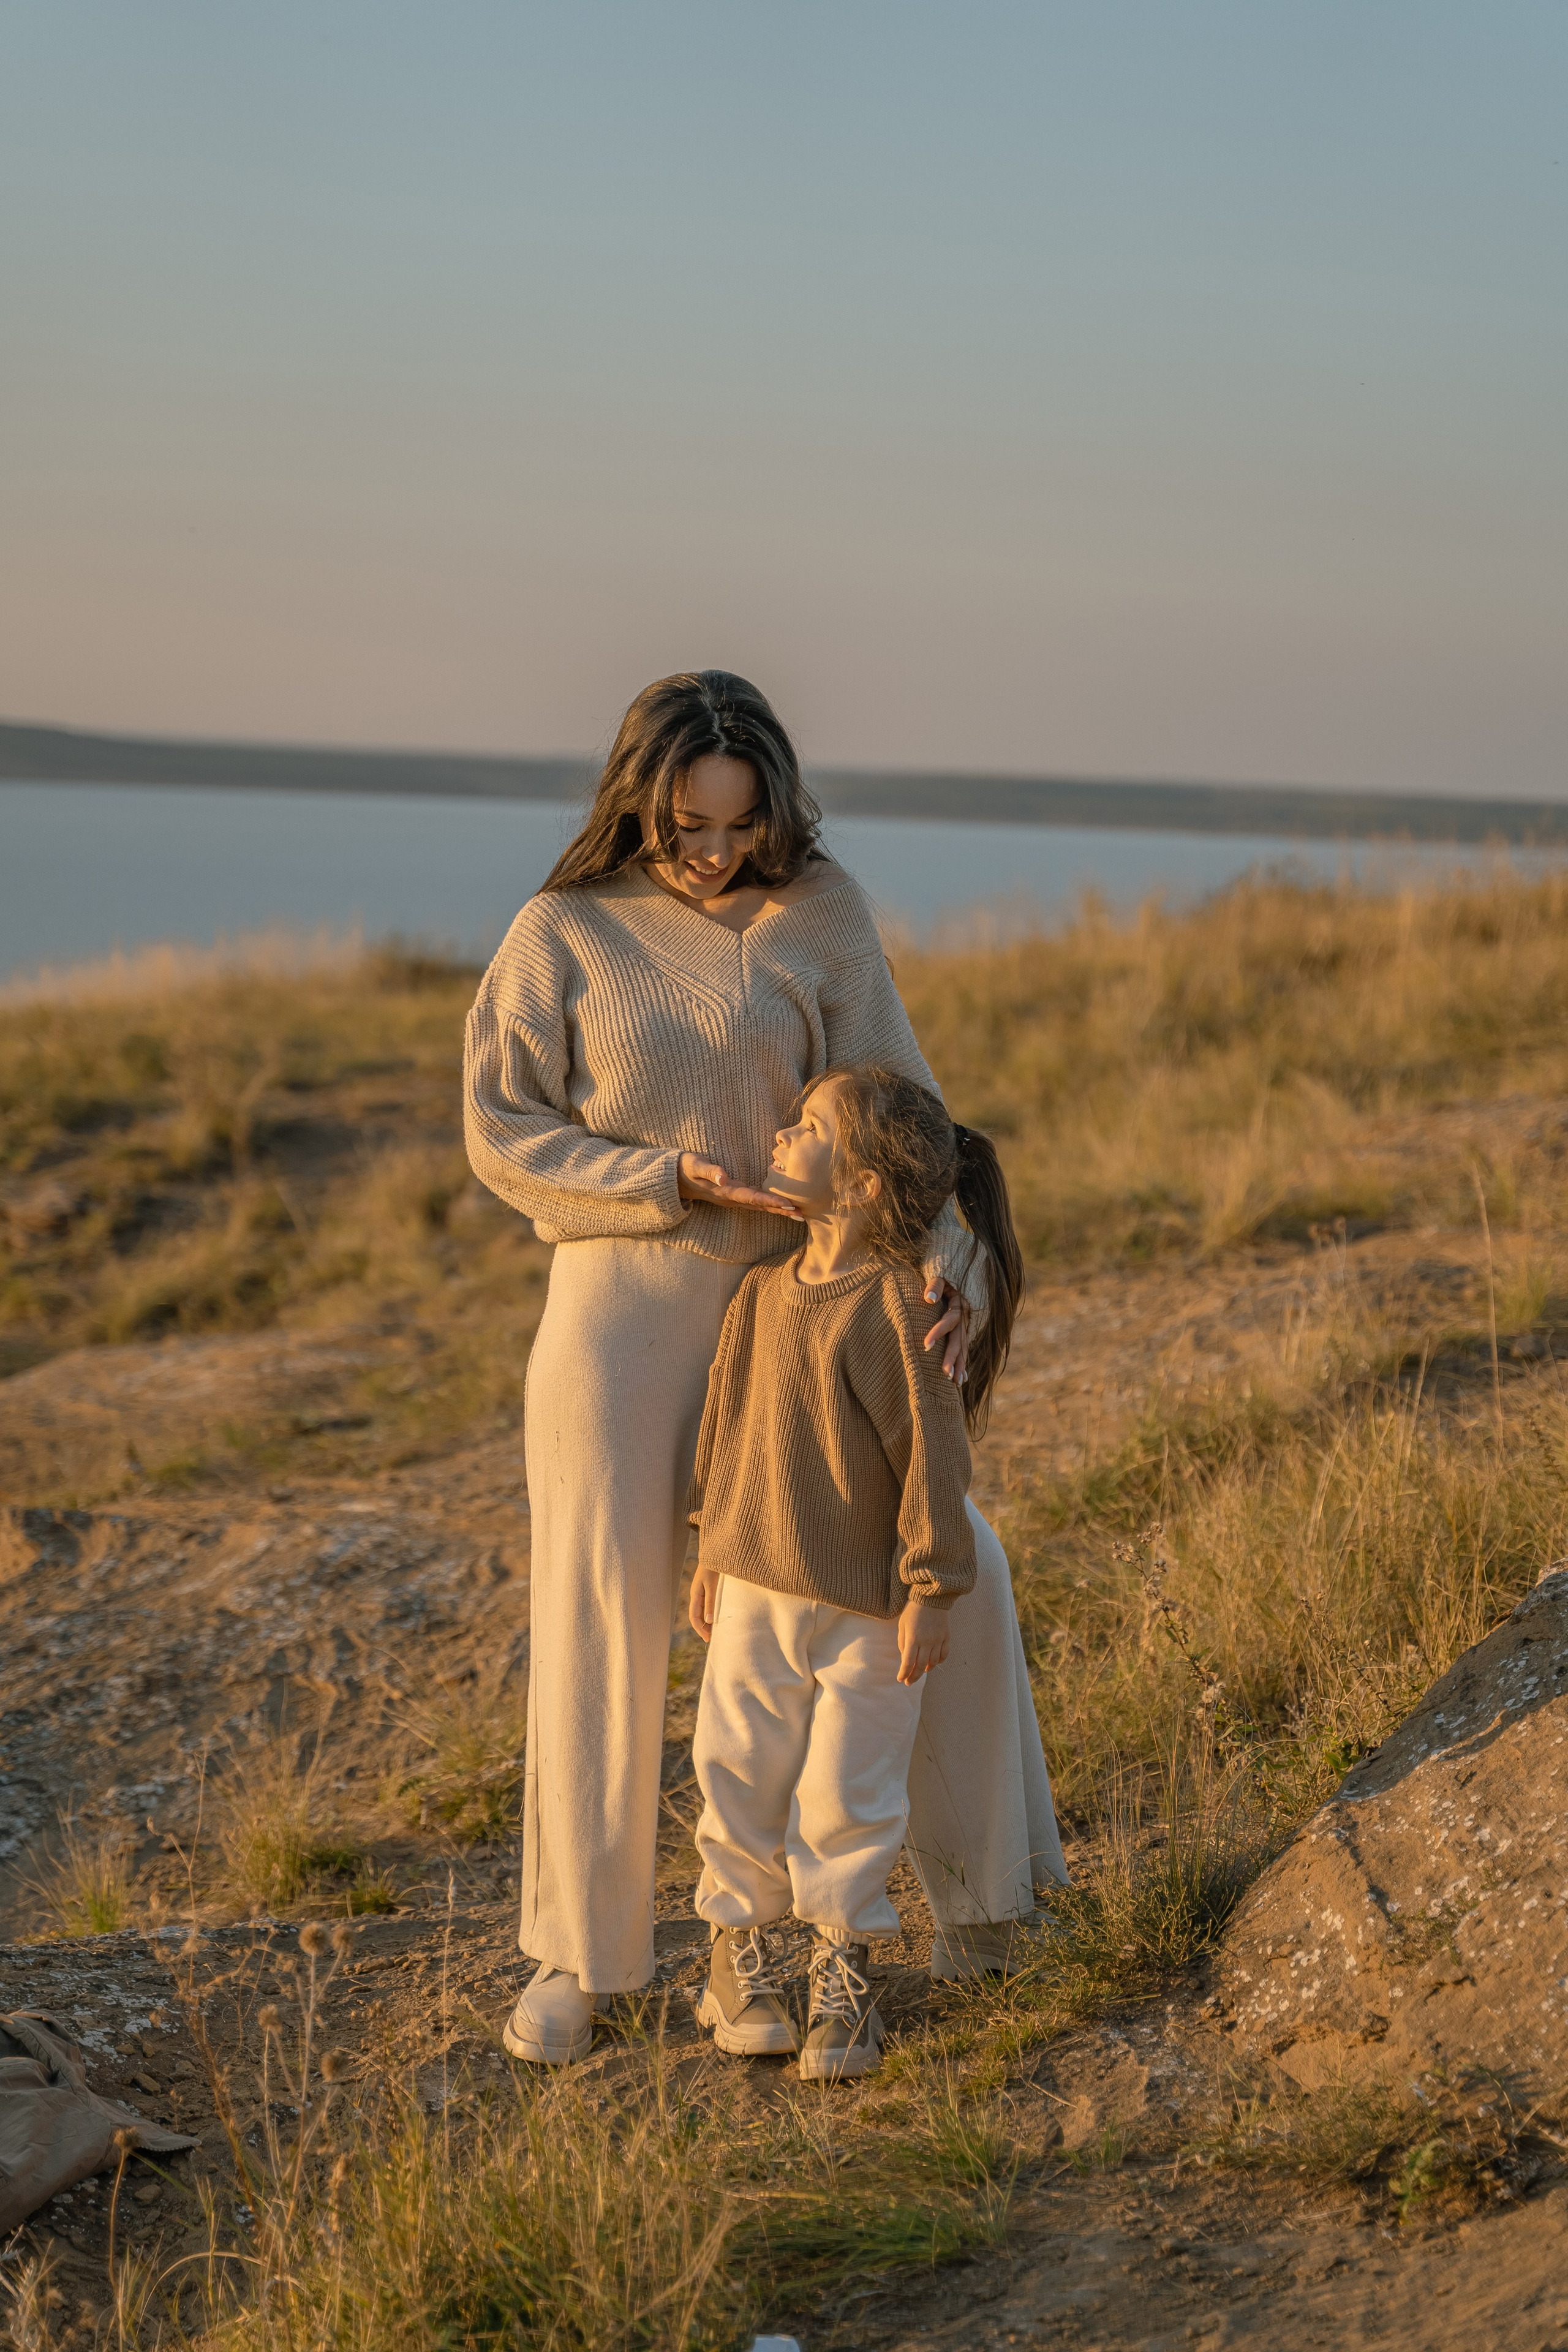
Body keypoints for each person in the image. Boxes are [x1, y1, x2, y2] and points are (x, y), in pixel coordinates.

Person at [463, 668, 1066, 2067]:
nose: (713, 852)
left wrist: (954, 1281)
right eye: (683, 824)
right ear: (635, 800)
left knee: (955, 1554)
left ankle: (984, 1906)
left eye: (738, 824)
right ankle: (583, 1951)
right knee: (602, 1614)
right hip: (622, 1307)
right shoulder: (559, 931)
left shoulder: (823, 916)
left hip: (814, 1315)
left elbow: (910, 1118)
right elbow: (501, 1128)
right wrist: (661, 1176)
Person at [687, 1066, 1023, 2080]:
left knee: (850, 1792)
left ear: (867, 1184)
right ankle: (736, 1959)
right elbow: (726, 1426)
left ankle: (844, 1968)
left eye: (807, 1128)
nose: (781, 1137)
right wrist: (709, 1544)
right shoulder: (758, 1296)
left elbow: (935, 1453)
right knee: (736, 1769)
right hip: (753, 1589)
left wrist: (932, 1591)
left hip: (873, 1609)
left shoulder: (894, 1307)